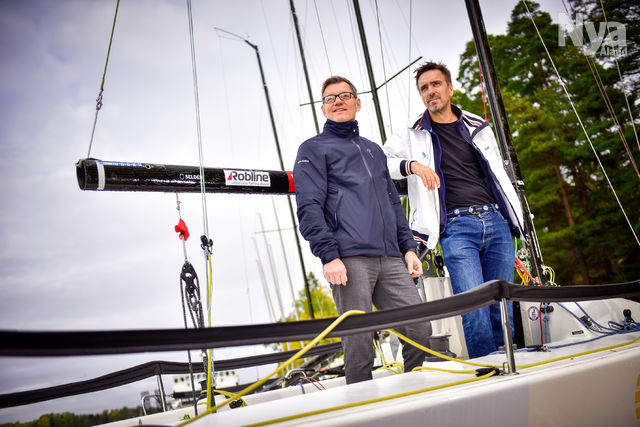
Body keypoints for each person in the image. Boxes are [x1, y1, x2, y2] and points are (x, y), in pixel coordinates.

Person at [293, 76, 432, 384]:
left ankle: (417, 394)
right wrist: (329, 256)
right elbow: (308, 207)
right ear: (323, 109)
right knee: (359, 344)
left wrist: (408, 248)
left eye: (344, 96)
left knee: (419, 328)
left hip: (391, 258)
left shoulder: (373, 151)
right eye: (330, 98)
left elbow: (393, 203)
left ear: (357, 103)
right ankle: (362, 403)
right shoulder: (312, 149)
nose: (338, 102)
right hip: (348, 259)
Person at [383, 61, 525, 358]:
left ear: (449, 88)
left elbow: (497, 173)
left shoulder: (477, 125)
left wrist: (514, 218)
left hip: (496, 221)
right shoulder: (412, 132)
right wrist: (412, 165)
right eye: (424, 88)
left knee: (503, 305)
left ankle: (511, 364)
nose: (430, 91)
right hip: (457, 229)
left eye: (436, 84)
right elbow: (381, 161)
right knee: (473, 307)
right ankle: (489, 369)